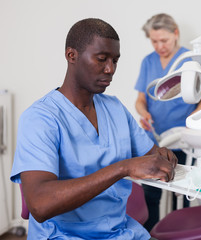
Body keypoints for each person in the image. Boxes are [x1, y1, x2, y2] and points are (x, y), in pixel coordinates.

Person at [10, 18, 178, 240]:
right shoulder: (41, 118)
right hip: (64, 235)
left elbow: (151, 156)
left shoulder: (115, 108)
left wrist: (163, 157)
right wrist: (122, 168)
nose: (110, 69)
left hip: (120, 232)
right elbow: (40, 205)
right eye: (101, 59)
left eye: (115, 61)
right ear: (72, 55)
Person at [134, 13, 201, 231]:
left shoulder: (190, 61)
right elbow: (140, 100)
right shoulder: (148, 62)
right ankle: (149, 235)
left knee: (183, 195)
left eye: (164, 40)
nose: (159, 46)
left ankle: (180, 233)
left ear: (175, 34)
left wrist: (191, 120)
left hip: (183, 141)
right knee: (151, 193)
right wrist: (144, 113)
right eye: (154, 41)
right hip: (155, 140)